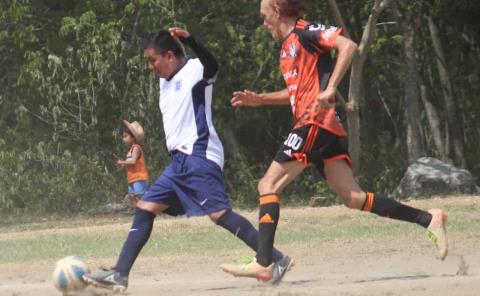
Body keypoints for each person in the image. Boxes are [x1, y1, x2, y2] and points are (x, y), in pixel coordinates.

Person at [220, 0, 448, 281]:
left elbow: (348, 46)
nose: (263, 22)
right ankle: (429, 219)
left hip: (314, 122)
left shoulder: (305, 32)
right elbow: (297, 91)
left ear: (277, 11)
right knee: (354, 198)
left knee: (268, 184)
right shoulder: (287, 47)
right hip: (319, 127)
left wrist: (330, 89)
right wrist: (261, 99)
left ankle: (265, 262)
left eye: (264, 15)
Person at [82, 27, 291, 292]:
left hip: (198, 155)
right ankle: (119, 274)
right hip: (178, 163)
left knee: (219, 214)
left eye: (153, 60)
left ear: (169, 55)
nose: (150, 66)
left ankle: (275, 258)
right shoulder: (164, 80)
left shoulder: (195, 70)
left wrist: (190, 40)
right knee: (145, 208)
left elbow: (212, 64)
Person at [118, 120, 149, 207]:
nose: (123, 138)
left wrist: (122, 162)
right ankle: (139, 211)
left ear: (133, 138)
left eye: (126, 136)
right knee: (133, 196)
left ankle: (154, 203)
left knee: (140, 196)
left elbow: (133, 161)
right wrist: (123, 164)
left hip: (139, 177)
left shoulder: (135, 148)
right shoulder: (130, 150)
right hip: (132, 178)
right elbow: (130, 163)